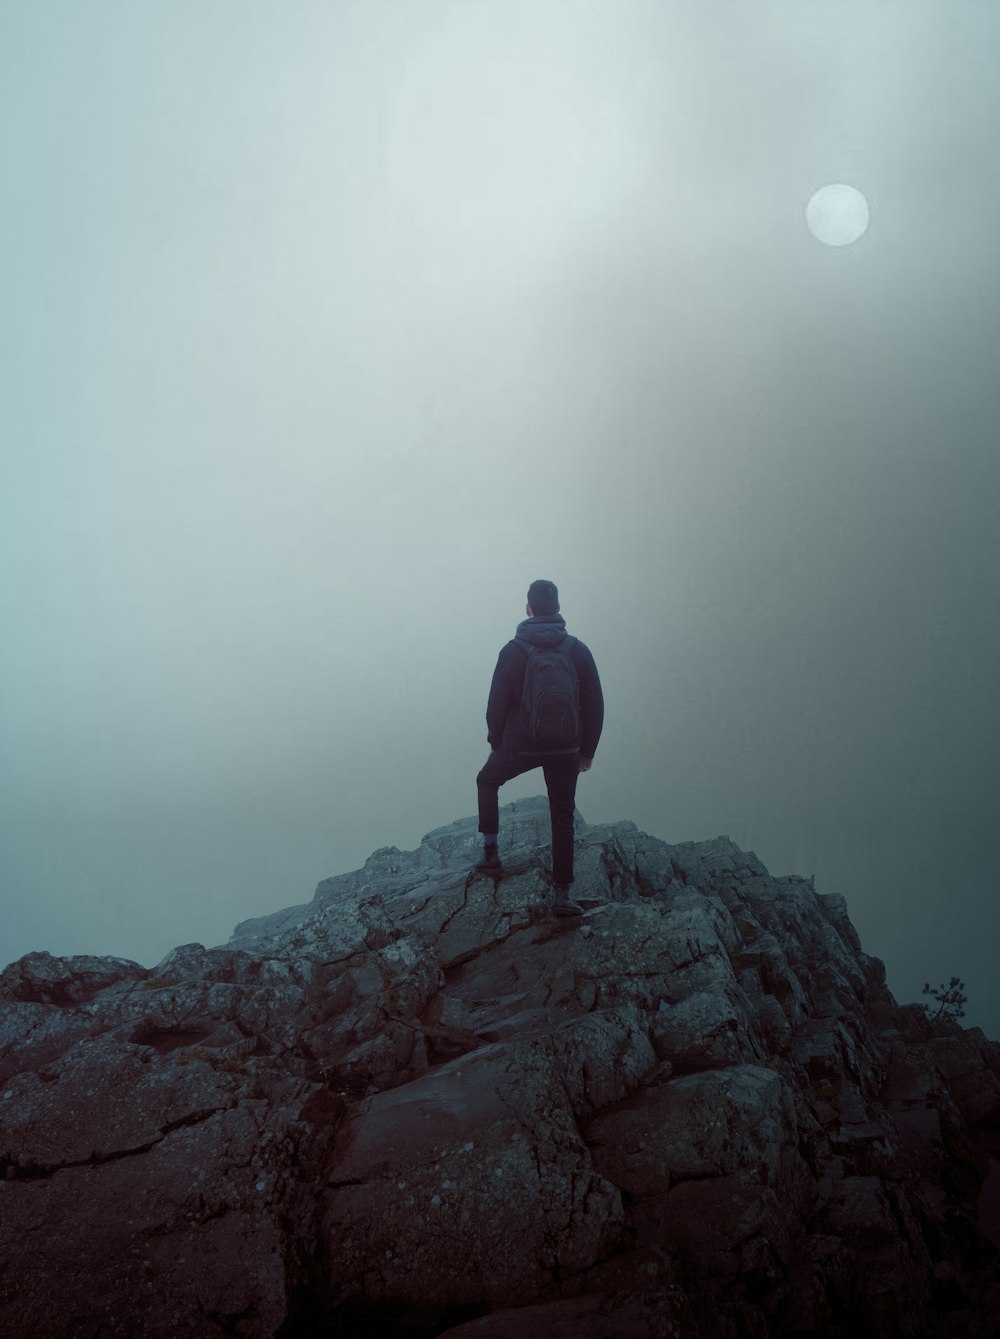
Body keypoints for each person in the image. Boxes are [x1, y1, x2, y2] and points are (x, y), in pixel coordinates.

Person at [475, 579, 604, 916]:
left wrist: (496, 743)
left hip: (521, 745)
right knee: (562, 815)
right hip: (565, 747)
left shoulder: (513, 650)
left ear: (528, 609)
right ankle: (562, 895)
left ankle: (491, 855)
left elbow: (496, 705)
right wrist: (586, 751)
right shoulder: (577, 650)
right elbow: (594, 704)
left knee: (487, 781)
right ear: (558, 609)